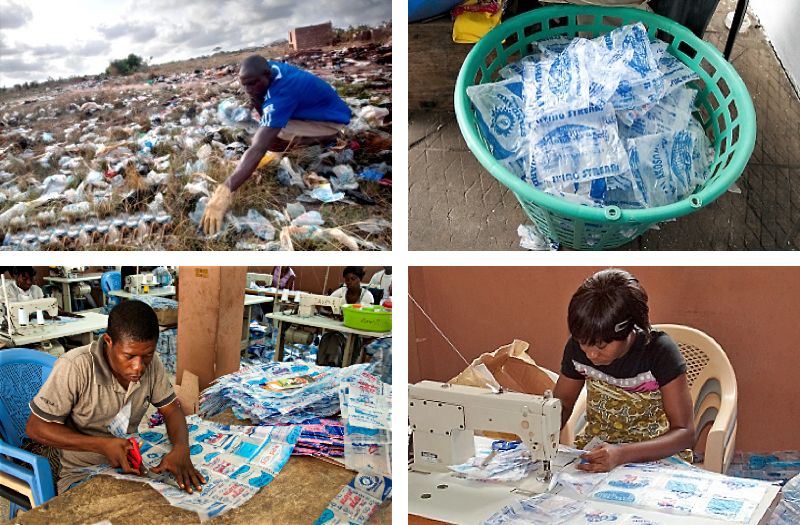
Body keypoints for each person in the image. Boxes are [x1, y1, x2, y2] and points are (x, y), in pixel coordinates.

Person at [26, 300, 206, 494]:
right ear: (108, 341)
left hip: (130, 465)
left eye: (147, 355)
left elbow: (171, 410)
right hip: (82, 472)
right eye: (129, 356)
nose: (139, 367)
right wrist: (102, 446)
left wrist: (181, 449)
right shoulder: (75, 367)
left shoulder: (152, 364)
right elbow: (35, 428)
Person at [553, 268, 695, 473]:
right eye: (583, 343)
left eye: (601, 346)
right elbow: (563, 404)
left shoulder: (659, 352)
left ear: (629, 330)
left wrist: (622, 454)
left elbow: (684, 432)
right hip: (599, 450)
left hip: (656, 455)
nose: (591, 354)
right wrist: (540, 433)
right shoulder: (578, 349)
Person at [201, 55, 352, 234]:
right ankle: (307, 134)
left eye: (253, 83)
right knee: (266, 129)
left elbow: (258, 148)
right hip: (312, 110)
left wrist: (225, 189)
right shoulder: (269, 70)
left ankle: (330, 137)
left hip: (332, 119)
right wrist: (253, 103)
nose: (248, 89)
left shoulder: (283, 92)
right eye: (245, 84)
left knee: (272, 141)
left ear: (266, 75)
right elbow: (259, 100)